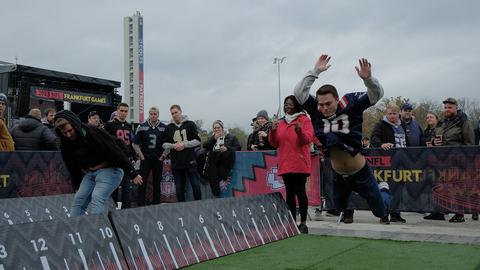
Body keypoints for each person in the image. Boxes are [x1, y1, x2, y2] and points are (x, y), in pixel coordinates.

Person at [294, 54, 391, 224]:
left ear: (337, 100)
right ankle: (348, 208)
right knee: (337, 207)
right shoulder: (316, 110)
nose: (324, 108)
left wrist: (369, 80)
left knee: (380, 211)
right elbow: (299, 93)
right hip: (339, 175)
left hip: (361, 172)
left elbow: (376, 95)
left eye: (328, 104)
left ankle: (384, 190)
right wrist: (315, 71)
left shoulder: (350, 104)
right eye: (321, 104)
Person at [54, 110, 142, 217]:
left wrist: (133, 174)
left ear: (75, 125)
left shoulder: (92, 132)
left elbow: (115, 152)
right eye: (64, 133)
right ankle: (75, 229)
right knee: (78, 201)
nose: (68, 135)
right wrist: (77, 185)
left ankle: (99, 229)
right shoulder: (65, 144)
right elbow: (72, 166)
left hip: (111, 169)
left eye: (70, 130)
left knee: (97, 197)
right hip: (91, 172)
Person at [268, 95, 314, 233]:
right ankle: (292, 223)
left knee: (300, 192)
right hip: (285, 163)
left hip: (300, 163)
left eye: (290, 104)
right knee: (289, 194)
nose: (287, 106)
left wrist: (300, 132)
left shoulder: (304, 120)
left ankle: (303, 223)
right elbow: (274, 143)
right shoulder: (280, 122)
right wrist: (273, 130)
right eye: (285, 104)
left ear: (296, 105)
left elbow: (307, 139)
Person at [434, 97, 477, 222]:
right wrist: (433, 141)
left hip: (459, 160)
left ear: (456, 108)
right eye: (445, 107)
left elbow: (470, 143)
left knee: (459, 187)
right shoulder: (442, 122)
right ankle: (446, 211)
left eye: (450, 107)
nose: (447, 109)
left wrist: (465, 160)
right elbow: (436, 137)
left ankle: (460, 214)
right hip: (443, 159)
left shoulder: (464, 122)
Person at [370, 104, 407, 223]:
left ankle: (396, 213)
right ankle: (384, 214)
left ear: (399, 114)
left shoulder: (403, 126)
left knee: (398, 189)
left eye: (394, 113)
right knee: (385, 188)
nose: (392, 116)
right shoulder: (380, 125)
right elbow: (374, 138)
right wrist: (382, 144)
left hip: (401, 162)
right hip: (385, 163)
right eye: (390, 113)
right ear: (386, 114)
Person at [162, 105, 202, 202]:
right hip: (177, 163)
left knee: (196, 186)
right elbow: (163, 144)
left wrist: (184, 145)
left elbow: (198, 141)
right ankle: (182, 211)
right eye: (172, 113)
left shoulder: (190, 124)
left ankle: (200, 207)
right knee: (179, 190)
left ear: (180, 111)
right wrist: (174, 146)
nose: (174, 115)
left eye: (176, 112)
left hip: (190, 161)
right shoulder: (169, 128)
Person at [132, 106, 167, 206]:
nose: (153, 116)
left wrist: (163, 156)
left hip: (158, 159)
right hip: (145, 158)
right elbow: (134, 143)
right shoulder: (142, 126)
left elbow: (168, 144)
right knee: (142, 183)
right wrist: (141, 156)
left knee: (157, 183)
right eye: (151, 114)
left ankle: (156, 205)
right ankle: (141, 205)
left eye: (155, 114)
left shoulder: (164, 127)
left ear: (158, 115)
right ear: (149, 114)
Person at [104, 103, 136, 208]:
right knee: (113, 187)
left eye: (126, 111)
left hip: (126, 160)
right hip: (115, 160)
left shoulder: (128, 125)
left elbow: (131, 143)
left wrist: (133, 157)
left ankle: (126, 212)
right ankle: (112, 210)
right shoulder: (109, 125)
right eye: (121, 110)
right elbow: (105, 142)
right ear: (117, 111)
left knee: (127, 188)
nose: (123, 113)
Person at [203, 120, 241, 197]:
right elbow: (205, 146)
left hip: (225, 163)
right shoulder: (211, 137)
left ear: (222, 128)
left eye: (218, 127)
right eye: (214, 128)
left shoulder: (231, 137)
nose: (216, 129)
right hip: (213, 164)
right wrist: (213, 139)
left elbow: (238, 147)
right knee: (214, 183)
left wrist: (227, 148)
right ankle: (216, 194)